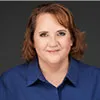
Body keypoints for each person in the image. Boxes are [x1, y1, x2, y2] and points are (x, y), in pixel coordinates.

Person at [0, 3, 100, 100]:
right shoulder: (9, 82)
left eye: (61, 33)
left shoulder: (97, 80)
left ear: (72, 39)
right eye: (44, 34)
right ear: (32, 41)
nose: (53, 43)